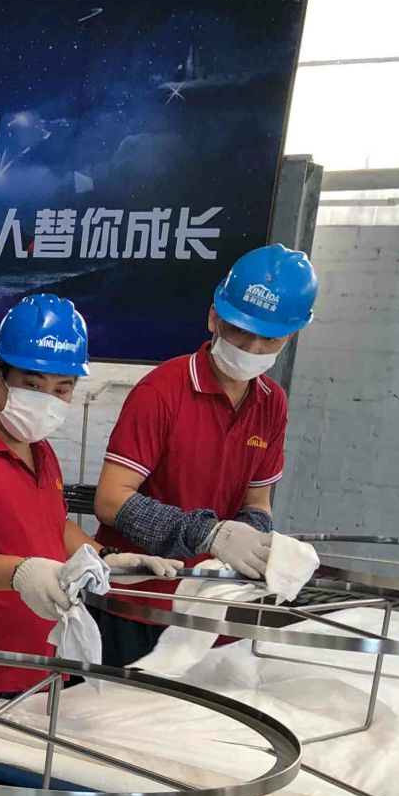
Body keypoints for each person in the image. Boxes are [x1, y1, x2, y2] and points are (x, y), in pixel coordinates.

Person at [0, 294, 178, 722]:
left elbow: (53, 523)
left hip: (41, 666)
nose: (47, 400)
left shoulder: (41, 451)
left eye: (62, 389)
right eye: (32, 386)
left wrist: (105, 557)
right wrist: (21, 573)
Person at [90, 243, 320, 666]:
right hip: (135, 600)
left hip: (210, 602)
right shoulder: (162, 392)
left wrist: (251, 541)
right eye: (239, 331)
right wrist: (209, 534)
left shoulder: (271, 403)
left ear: (290, 336)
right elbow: (111, 500)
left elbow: (257, 500)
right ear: (214, 317)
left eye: (268, 338)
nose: (251, 348)